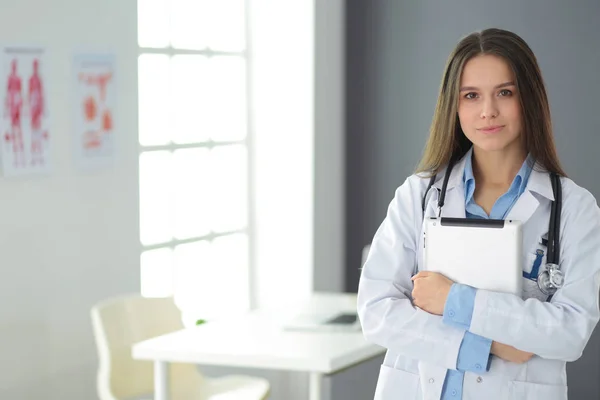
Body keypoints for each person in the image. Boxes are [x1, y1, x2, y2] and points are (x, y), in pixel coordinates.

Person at [357, 28, 600, 400]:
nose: (488, 111)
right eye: (471, 96)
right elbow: (376, 310)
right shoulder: (419, 195)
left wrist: (453, 300)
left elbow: (569, 334)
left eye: (505, 92)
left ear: (529, 99)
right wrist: (490, 346)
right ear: (454, 106)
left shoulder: (574, 209)